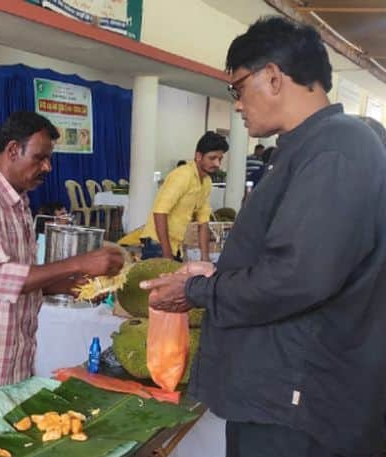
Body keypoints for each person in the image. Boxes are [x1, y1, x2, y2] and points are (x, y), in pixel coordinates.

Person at [140, 17, 386, 457]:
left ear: (273, 76)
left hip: (298, 400)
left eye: (237, 88)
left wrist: (198, 289)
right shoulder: (309, 147)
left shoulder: (336, 148)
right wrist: (217, 271)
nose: (236, 104)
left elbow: (300, 277)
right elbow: (299, 256)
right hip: (284, 391)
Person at [0, 111, 124, 412]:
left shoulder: (19, 203)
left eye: (48, 159)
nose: (47, 167)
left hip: (16, 365)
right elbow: (1, 279)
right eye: (40, 158)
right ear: (13, 150)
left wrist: (68, 286)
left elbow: (22, 283)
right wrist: (81, 262)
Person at [139, 131, 227, 261]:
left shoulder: (206, 182)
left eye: (220, 159)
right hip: (157, 245)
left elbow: (203, 223)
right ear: (198, 156)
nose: (217, 164)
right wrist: (167, 254)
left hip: (176, 246)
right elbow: (159, 212)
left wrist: (205, 257)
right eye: (212, 158)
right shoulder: (182, 176)